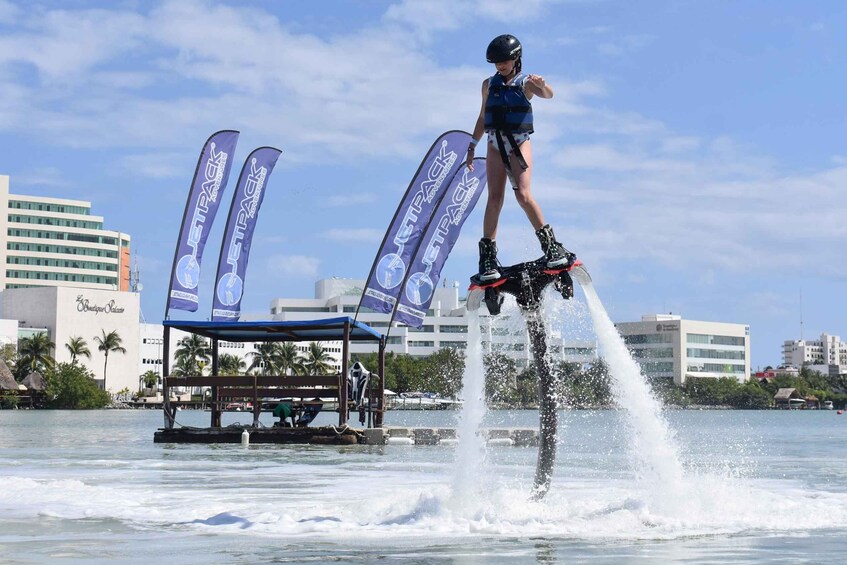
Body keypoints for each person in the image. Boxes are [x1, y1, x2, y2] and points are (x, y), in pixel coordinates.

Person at [466, 34, 575, 281]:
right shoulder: (487, 85)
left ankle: (551, 247)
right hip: (494, 143)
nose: (499, 66)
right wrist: (473, 145)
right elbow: (484, 117)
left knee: (523, 195)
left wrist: (543, 84)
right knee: (494, 199)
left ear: (516, 59)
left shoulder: (526, 83)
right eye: (495, 62)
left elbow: (548, 95)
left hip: (518, 143)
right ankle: (488, 259)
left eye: (503, 61)